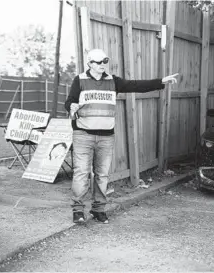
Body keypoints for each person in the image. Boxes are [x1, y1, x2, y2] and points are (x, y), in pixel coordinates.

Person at [65, 48, 178, 224]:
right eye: (98, 62)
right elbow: (70, 100)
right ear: (89, 64)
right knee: (81, 173)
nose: (102, 65)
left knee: (102, 175)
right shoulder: (79, 80)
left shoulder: (113, 81)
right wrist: (71, 106)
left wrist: (160, 81)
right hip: (83, 134)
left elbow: (135, 85)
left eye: (105, 61)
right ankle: (78, 211)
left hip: (106, 136)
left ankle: (98, 209)